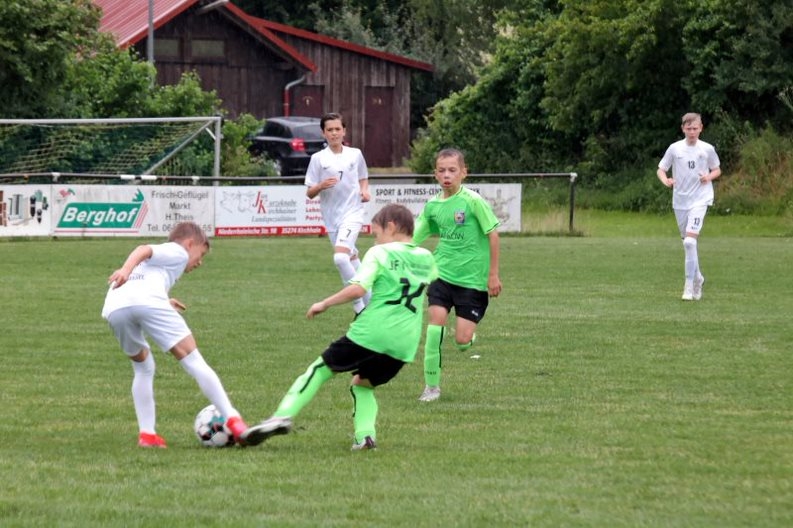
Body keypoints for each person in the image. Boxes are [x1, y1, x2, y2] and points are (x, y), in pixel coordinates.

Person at [241, 204, 438, 451]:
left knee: (319, 370)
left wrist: (325, 303)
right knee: (363, 384)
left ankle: (281, 416)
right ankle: (365, 437)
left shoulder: (380, 253)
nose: (376, 241)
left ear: (391, 227)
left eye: (376, 234)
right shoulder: (426, 258)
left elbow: (359, 288)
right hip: (404, 343)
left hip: (372, 332)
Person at [101, 221, 248, 448]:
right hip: (142, 299)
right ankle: (234, 420)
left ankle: (147, 435)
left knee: (143, 367)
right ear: (190, 244)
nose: (199, 262)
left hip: (115, 306)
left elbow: (145, 282)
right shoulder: (178, 251)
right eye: (201, 254)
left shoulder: (162, 265)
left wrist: (164, 300)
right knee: (193, 360)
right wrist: (125, 270)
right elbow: (143, 249)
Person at [414, 148, 502, 402]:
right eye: (441, 171)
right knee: (434, 328)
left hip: (472, 281)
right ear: (435, 175)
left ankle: (467, 339)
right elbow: (416, 237)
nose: (447, 175)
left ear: (464, 172)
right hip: (441, 274)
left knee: (462, 341)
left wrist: (493, 276)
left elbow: (493, 235)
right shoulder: (433, 206)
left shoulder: (473, 201)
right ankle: (431, 387)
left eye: (452, 170)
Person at [305, 112, 371, 314]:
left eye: (337, 129)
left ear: (344, 131)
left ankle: (366, 301)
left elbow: (363, 177)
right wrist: (321, 185)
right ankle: (363, 305)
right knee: (349, 259)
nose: (334, 133)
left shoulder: (355, 154)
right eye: (329, 130)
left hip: (352, 213)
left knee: (340, 259)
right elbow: (309, 193)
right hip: (331, 217)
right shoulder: (318, 159)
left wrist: (365, 190)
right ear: (323, 133)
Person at [657, 112, 721, 301]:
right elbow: (661, 169)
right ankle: (698, 278)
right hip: (680, 201)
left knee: (689, 242)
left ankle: (688, 286)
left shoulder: (707, 149)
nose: (692, 132)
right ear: (683, 129)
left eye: (695, 128)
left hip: (701, 199)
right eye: (688, 128)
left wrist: (708, 177)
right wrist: (666, 181)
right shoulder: (675, 149)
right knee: (688, 245)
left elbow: (717, 169)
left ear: (701, 128)